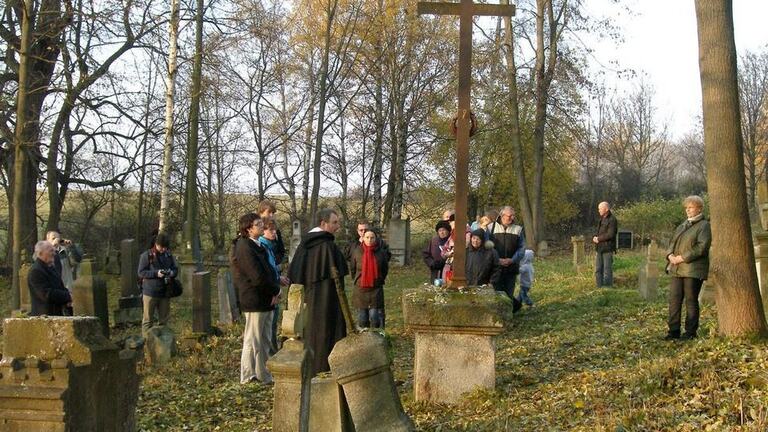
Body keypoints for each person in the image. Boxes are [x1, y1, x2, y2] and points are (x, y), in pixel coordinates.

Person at [288, 208, 349, 376]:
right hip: (327, 301)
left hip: (308, 299)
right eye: (334, 222)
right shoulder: (327, 246)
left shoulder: (304, 245)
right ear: (323, 223)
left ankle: (311, 368)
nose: (338, 226)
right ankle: (325, 368)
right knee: (325, 334)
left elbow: (295, 273)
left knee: (310, 332)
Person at [232, 213, 281, 384]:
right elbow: (256, 276)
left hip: (266, 298)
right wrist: (275, 291)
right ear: (248, 229)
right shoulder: (244, 247)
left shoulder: (258, 244)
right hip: (254, 299)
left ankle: (263, 374)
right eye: (258, 224)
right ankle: (247, 375)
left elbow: (268, 271)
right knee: (253, 340)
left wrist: (274, 292)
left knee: (265, 340)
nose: (262, 226)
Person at [664, 195, 711, 340]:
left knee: (691, 300)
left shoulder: (704, 226)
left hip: (693, 269)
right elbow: (672, 243)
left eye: (691, 207)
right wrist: (670, 255)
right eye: (686, 208)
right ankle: (673, 331)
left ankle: (690, 333)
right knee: (674, 300)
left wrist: (682, 257)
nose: (688, 210)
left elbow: (702, 247)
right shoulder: (682, 225)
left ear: (699, 208)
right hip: (676, 268)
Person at [259, 219, 290, 354]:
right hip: (268, 292)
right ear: (263, 231)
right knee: (267, 327)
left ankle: (272, 351)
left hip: (274, 289)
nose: (274, 233)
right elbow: (264, 272)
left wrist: (278, 277)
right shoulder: (262, 247)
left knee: (272, 325)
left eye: (275, 230)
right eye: (270, 230)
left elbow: (272, 268)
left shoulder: (270, 246)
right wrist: (277, 280)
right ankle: (271, 353)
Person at [137, 232, 179, 335]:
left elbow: (175, 269)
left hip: (165, 292)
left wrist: (171, 273)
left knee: (164, 321)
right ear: (156, 244)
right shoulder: (146, 255)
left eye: (165, 247)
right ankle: (146, 341)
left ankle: (163, 342)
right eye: (161, 247)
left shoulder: (168, 255)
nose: (163, 249)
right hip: (150, 292)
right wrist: (156, 273)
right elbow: (141, 272)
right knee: (148, 321)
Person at [349, 229, 391, 328]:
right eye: (367, 237)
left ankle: (376, 335)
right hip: (361, 288)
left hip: (375, 288)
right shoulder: (357, 251)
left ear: (376, 239)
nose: (369, 240)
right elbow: (353, 268)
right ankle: (364, 335)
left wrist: (379, 279)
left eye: (372, 237)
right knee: (362, 317)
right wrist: (357, 279)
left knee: (374, 316)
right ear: (363, 238)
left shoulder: (381, 252)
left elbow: (384, 269)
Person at [487, 206, 525, 302]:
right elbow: (487, 247)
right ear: (502, 216)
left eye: (513, 215)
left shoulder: (518, 229)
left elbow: (522, 248)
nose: (512, 218)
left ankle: (509, 310)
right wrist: (497, 259)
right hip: (495, 268)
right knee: (496, 295)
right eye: (510, 216)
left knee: (509, 295)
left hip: (511, 268)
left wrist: (512, 260)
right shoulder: (491, 228)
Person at [28, 240, 72, 316]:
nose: (54, 254)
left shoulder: (51, 268)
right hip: (44, 316)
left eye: (54, 251)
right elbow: (46, 294)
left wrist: (69, 296)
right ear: (40, 253)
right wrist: (67, 296)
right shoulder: (36, 271)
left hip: (57, 314)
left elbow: (60, 287)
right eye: (51, 251)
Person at [592, 201, 618, 288]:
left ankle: (607, 288)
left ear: (606, 209)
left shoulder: (612, 220)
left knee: (607, 270)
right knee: (598, 269)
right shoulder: (601, 219)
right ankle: (599, 287)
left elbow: (610, 234)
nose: (598, 210)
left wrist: (598, 239)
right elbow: (598, 231)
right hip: (599, 248)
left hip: (608, 248)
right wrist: (595, 237)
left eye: (600, 208)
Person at [257, 200, 287, 265]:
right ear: (261, 213)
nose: (271, 215)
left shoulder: (276, 230)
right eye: (269, 212)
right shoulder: (253, 229)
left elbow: (281, 250)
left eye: (273, 213)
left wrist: (275, 260)